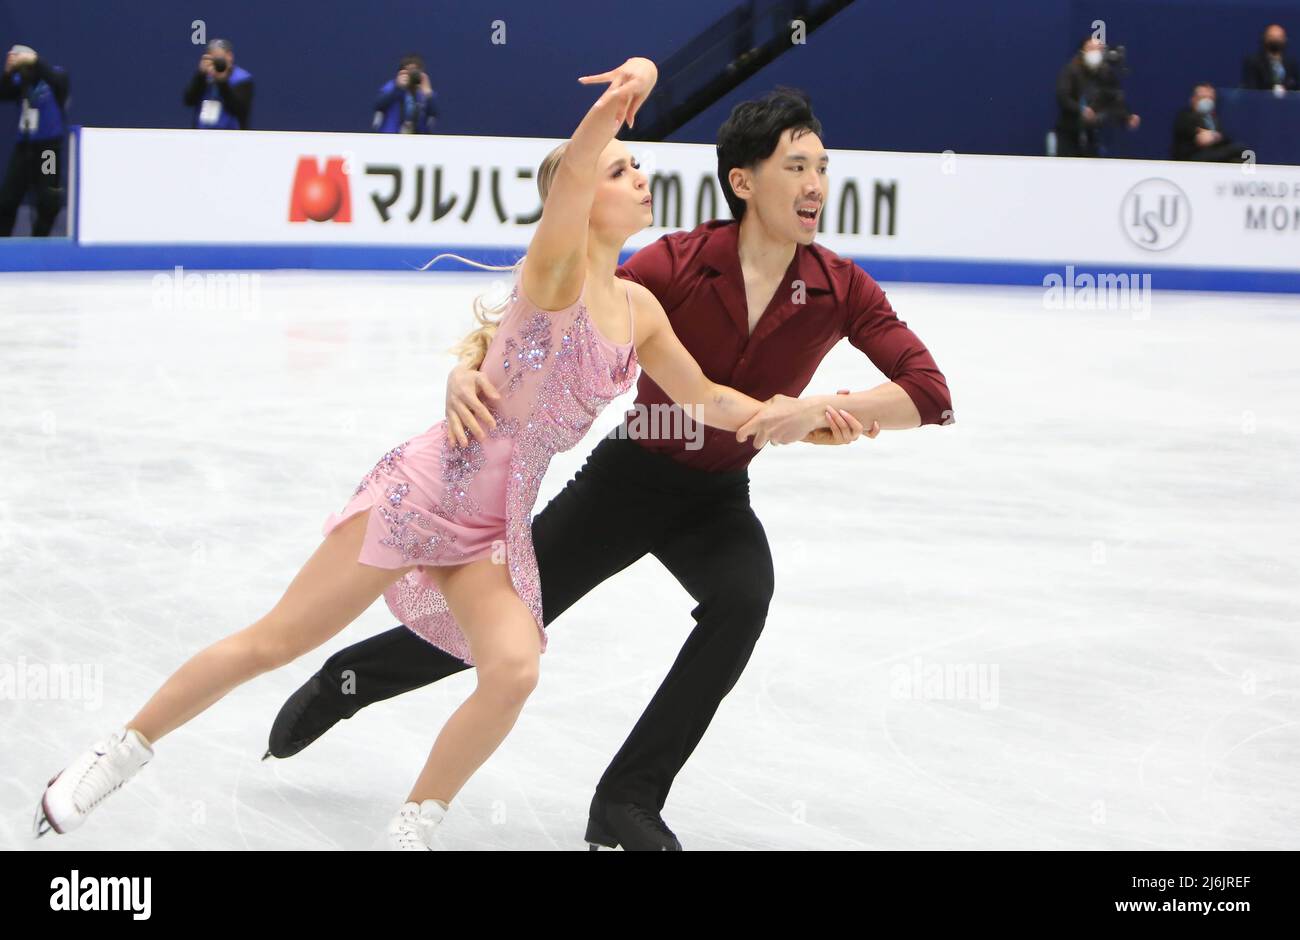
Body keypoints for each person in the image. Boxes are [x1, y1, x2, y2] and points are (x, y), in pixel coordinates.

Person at [33, 57, 835, 850]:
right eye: (622, 170)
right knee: (275, 641)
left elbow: (707, 398)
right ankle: (115, 754)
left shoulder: (641, 309)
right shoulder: (552, 276)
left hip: (492, 528)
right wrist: (624, 99)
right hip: (423, 495)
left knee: (514, 668)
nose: (639, 178)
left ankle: (414, 826)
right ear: (587, 197)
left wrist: (793, 414)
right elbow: (570, 180)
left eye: (637, 167)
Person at [266, 86, 954, 850]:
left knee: (742, 599)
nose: (817, 185)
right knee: (512, 623)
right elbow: (537, 317)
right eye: (797, 167)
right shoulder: (676, 264)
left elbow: (929, 394)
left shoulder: (839, 286)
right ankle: (348, 680)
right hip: (628, 479)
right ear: (744, 182)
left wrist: (819, 407)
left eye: (822, 167)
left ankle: (625, 802)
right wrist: (464, 375)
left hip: (718, 498)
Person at [0, 44, 69, 237]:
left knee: (49, 199)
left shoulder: (55, 77)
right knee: (7, 200)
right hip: (25, 148)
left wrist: (34, 60)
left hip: (48, 150)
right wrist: (7, 72)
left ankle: (40, 239)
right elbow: (3, 93)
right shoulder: (20, 80)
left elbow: (57, 80)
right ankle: (3, 242)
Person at [1054, 36, 1141, 157]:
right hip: (1069, 132)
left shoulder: (1105, 73)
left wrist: (1127, 117)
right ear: (1082, 51)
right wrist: (1080, 109)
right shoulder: (1071, 70)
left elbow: (1114, 99)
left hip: (1093, 134)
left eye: (1098, 49)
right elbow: (1063, 97)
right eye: (1091, 48)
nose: (1095, 52)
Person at [183, 38, 254, 130]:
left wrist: (222, 82)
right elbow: (189, 100)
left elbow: (239, 109)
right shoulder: (204, 77)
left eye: (220, 59)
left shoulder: (242, 79)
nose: (217, 63)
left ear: (230, 57)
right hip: (202, 134)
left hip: (232, 136)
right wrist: (200, 75)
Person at [1171, 83, 1250, 162]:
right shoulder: (1186, 116)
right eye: (1203, 97)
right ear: (1193, 99)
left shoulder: (1213, 118)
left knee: (1238, 160)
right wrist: (1204, 135)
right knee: (1239, 149)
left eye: (1210, 98)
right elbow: (1198, 136)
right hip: (1192, 158)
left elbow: (1223, 138)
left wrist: (1214, 136)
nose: (1207, 101)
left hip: (1213, 155)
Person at [373, 53, 439, 134]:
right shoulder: (392, 86)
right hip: (392, 136)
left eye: (414, 71)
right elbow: (378, 105)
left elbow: (434, 113)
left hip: (418, 138)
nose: (411, 74)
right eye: (408, 71)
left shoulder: (424, 90)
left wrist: (428, 94)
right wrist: (398, 88)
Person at [1241, 23, 1298, 92]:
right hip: (1263, 101)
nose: (1275, 40)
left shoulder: (1291, 64)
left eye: (1279, 37)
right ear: (1264, 38)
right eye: (1272, 36)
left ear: (1285, 39)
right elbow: (1251, 89)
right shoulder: (1253, 62)